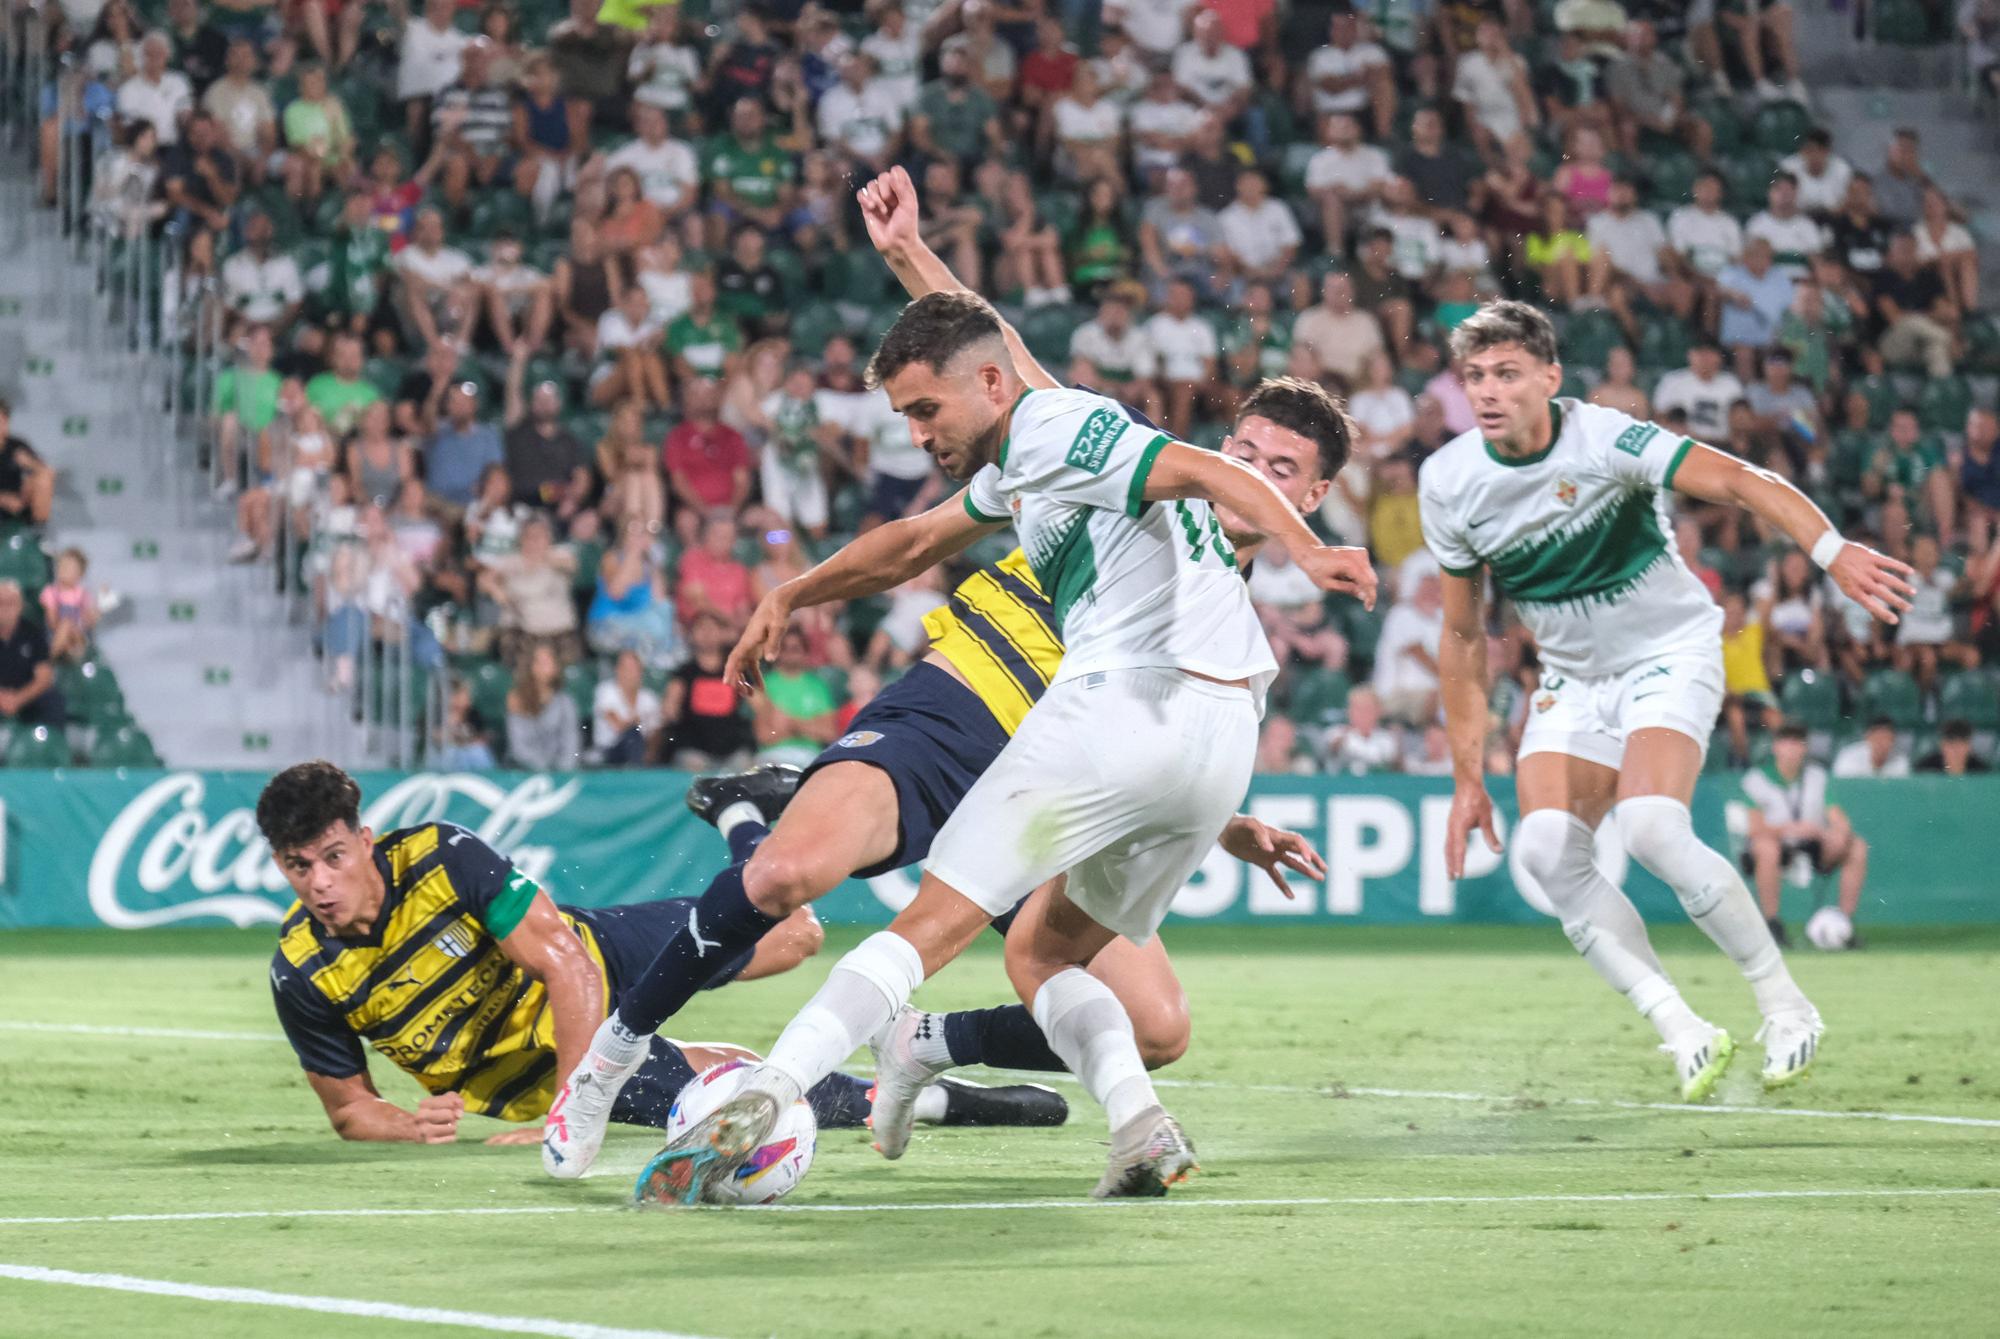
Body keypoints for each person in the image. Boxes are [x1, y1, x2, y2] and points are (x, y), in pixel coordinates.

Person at [542, 167, 1368, 1198]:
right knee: (789, 881)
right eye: (1240, 447)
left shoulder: (1201, 554)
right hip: (980, 701)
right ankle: (619, 1056)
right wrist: (905, 261)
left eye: (1278, 469)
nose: (1244, 465)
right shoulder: (1090, 455)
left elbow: (1007, 391)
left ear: (1319, 490)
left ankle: (836, 1070)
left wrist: (1305, 561)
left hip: (1096, 741)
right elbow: (992, 396)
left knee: (1125, 1009)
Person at [1428, 301, 1914, 1102]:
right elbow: (1462, 638)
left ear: (1550, 379)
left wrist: (1831, 550)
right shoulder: (1448, 480)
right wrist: (1467, 774)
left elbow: (1737, 479)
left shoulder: (1606, 436)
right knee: (1546, 851)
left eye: (1508, 373)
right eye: (1475, 376)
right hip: (1575, 678)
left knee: (1652, 827)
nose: (1488, 390)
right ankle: (1681, 1025)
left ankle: (1784, 1002)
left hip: (1669, 651)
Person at [258, 761, 1059, 1146]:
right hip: (529, 1073)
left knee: (795, 932)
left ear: (364, 839)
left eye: (333, 855)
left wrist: (579, 1109)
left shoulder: (439, 855)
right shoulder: (300, 969)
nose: (321, 882)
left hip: (593, 960)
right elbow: (350, 1109)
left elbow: (564, 962)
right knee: (724, 1099)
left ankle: (738, 810)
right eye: (299, 866)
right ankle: (948, 1100)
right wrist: (413, 1125)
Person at [1741, 724, 1870, 946]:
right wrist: (1789, 829)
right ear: (1775, 747)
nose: (1791, 749)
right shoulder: (1756, 779)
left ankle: (1843, 925)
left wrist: (1836, 833)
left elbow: (1837, 816)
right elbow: (1755, 828)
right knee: (1765, 847)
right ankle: (1773, 924)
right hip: (1777, 846)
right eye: (1786, 742)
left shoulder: (1817, 777)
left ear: (1805, 748)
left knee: (1857, 846)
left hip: (1813, 845)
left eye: (1797, 743)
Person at [0, 579, 63, 727]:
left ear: (20, 606)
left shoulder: (33, 633)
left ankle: (49, 747)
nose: (4, 608)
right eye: (0, 602)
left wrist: (17, 699)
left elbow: (44, 677)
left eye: (10, 602)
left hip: (26, 696)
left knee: (53, 700)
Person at [1832, 716, 1909, 779]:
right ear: (1868, 737)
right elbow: (1842, 788)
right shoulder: (1849, 756)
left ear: (1893, 740)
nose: (1882, 744)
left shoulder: (1901, 760)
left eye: (1887, 738)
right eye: (1878, 738)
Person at [1915, 718, 1992, 775]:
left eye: (1961, 744)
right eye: (1951, 745)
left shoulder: (1981, 771)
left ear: (1969, 746)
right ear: (1942, 745)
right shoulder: (1925, 768)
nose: (1956, 750)